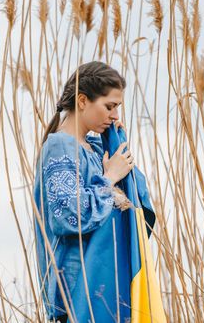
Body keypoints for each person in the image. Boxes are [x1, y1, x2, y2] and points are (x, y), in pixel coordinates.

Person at [32, 61, 153, 322]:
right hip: (75, 295)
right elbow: (67, 215)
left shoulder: (95, 149)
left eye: (117, 108)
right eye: (109, 107)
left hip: (103, 289)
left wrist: (115, 142)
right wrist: (108, 177)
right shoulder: (60, 146)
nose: (115, 116)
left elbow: (134, 200)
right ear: (83, 100)